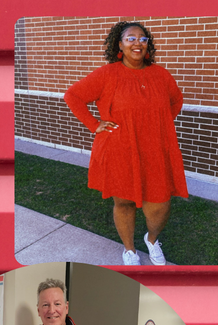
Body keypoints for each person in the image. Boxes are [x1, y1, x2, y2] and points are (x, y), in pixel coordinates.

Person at [64, 21, 189, 266]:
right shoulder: (107, 74)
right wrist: (94, 124)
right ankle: (130, 249)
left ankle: (152, 240)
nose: (137, 43)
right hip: (119, 148)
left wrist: (159, 124)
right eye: (131, 38)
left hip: (154, 149)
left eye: (142, 39)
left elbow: (176, 100)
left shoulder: (160, 74)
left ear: (148, 45)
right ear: (119, 45)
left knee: (160, 204)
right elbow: (73, 96)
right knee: (124, 201)